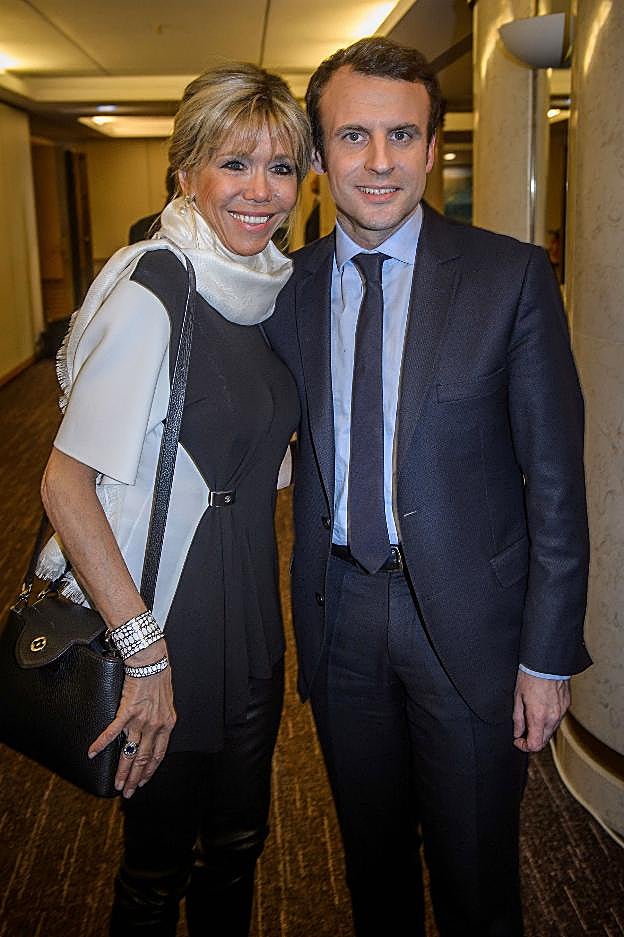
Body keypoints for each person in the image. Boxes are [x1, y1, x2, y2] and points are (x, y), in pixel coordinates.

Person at [265, 37, 590, 937]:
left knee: (476, 878)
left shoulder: (509, 278)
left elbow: (556, 483)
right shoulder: (283, 290)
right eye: (354, 136)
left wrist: (547, 656)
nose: (379, 161)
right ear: (319, 154)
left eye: (402, 135)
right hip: (338, 614)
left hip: (473, 627)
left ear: (433, 145)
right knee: (373, 869)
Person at [38, 62, 310, 936]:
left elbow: (235, 445)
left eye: (280, 166)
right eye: (235, 163)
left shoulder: (258, 288)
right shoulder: (157, 286)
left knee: (237, 848)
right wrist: (144, 651)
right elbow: (65, 482)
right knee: (157, 869)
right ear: (186, 172)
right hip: (168, 621)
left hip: (250, 617)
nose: (261, 191)